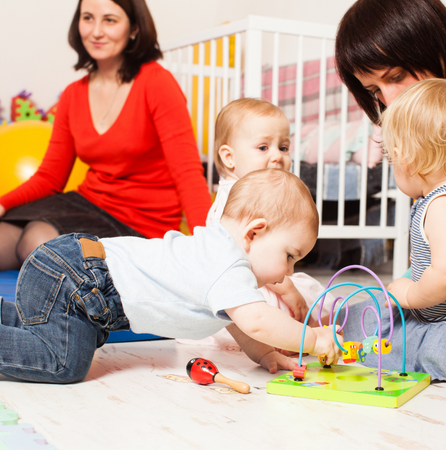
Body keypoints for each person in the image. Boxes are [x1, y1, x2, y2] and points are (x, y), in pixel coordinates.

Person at [0, 168, 342, 384]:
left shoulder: (218, 258)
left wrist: (265, 354)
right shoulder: (226, 263)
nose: (289, 272)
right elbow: (255, 320)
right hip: (78, 278)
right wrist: (311, 340)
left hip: (70, 272)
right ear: (254, 233)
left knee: (58, 331)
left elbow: (238, 322)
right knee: (65, 363)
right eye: (289, 256)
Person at [0, 0, 212, 271]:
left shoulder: (157, 83)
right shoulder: (73, 94)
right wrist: (3, 204)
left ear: (134, 28)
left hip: (140, 223)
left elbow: (188, 174)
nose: (96, 31)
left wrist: (209, 248)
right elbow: (50, 177)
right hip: (87, 203)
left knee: (37, 239)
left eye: (110, 20)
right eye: (88, 18)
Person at [337, 79, 446, 384]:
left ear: (405, 157)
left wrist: (411, 293)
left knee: (395, 335)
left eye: (390, 159)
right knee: (375, 306)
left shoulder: (443, 206)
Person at [335, 0, 446, 180]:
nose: (390, 102)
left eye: (397, 76)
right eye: (375, 91)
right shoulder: (433, 123)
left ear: (435, 45)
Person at [208, 98, 330, 325]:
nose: (277, 156)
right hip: (246, 283)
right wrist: (288, 291)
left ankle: (316, 321)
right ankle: (299, 329)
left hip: (268, 276)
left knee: (309, 287)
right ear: (229, 157)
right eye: (263, 147)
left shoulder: (255, 192)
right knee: (288, 300)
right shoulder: (237, 199)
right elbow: (257, 259)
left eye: (283, 148)